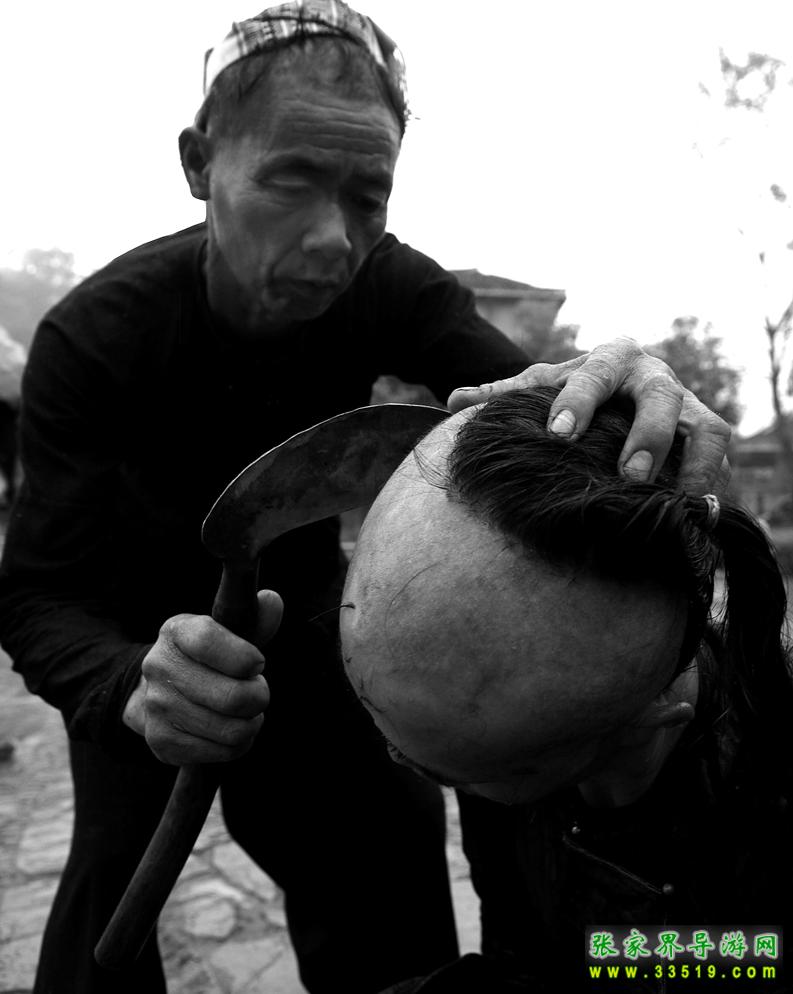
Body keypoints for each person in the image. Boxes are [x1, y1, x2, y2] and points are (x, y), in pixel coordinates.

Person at [0, 2, 730, 992]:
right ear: (198, 163)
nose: (332, 239)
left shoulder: (386, 286)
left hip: (308, 629)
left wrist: (617, 386)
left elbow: (532, 404)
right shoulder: (91, 341)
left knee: (385, 862)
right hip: (138, 646)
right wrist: (130, 684)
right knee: (108, 900)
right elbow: (36, 593)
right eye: (290, 179)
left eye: (367, 195)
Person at [341, 388, 792, 993]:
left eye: (452, 772)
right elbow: (520, 956)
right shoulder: (499, 724)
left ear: (653, 717)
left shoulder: (761, 819)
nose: (395, 755)